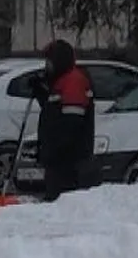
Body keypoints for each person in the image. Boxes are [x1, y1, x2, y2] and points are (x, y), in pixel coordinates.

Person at [34, 38, 95, 201]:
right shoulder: (62, 81)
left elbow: (71, 121)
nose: (47, 65)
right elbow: (53, 111)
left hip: (69, 161)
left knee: (63, 204)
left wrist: (54, 149)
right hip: (58, 159)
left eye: (49, 61)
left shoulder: (74, 81)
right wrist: (41, 92)